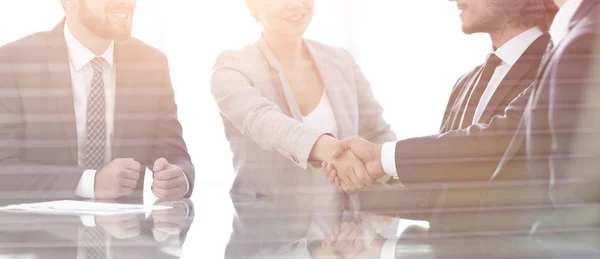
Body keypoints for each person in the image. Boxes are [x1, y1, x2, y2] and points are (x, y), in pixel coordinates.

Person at [324, 0, 558, 191]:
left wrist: (380, 157)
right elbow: (440, 191)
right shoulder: (466, 82)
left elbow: (494, 147)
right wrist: (359, 185)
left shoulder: (557, 69)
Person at [0, 0, 194, 201]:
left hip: (128, 229)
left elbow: (174, 153)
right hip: (40, 229)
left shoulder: (151, 64)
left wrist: (179, 177)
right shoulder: (14, 62)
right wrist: (89, 183)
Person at [210, 0, 396, 201]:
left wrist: (377, 169)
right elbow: (263, 121)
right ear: (252, 5)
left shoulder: (341, 61)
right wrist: (333, 151)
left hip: (344, 226)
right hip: (265, 224)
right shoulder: (231, 67)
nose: (296, 4)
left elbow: (378, 133)